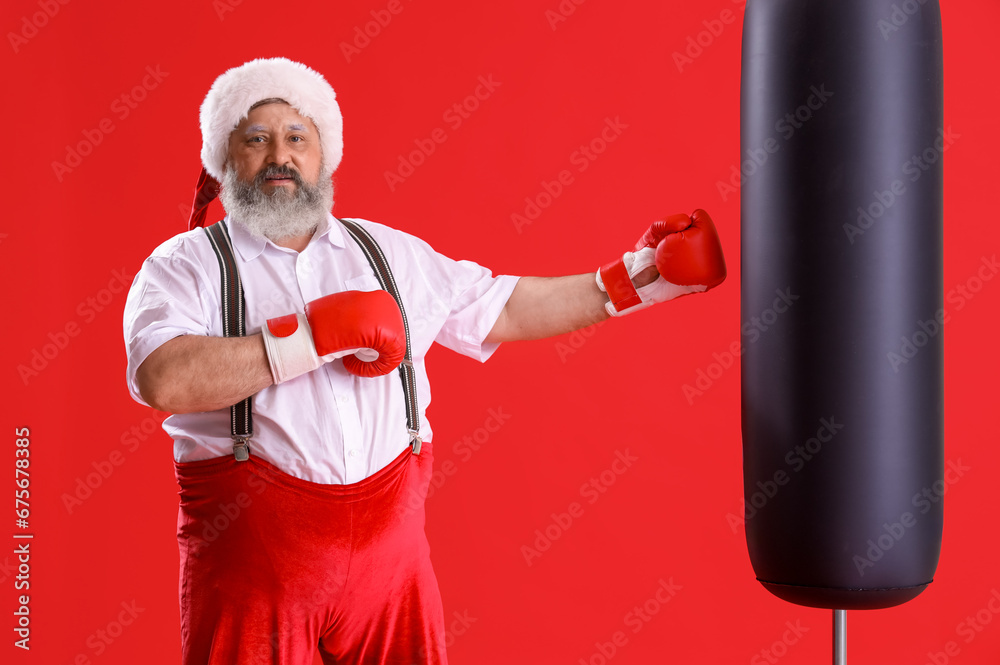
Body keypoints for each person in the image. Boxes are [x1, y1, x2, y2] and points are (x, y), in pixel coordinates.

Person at [122, 57, 727, 665]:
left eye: (296, 137)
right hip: (251, 565)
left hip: (392, 565)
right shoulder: (185, 264)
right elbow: (161, 377)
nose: (280, 155)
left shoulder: (387, 253)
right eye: (256, 139)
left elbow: (506, 308)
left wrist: (637, 280)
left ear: (323, 155)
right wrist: (311, 337)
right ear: (224, 160)